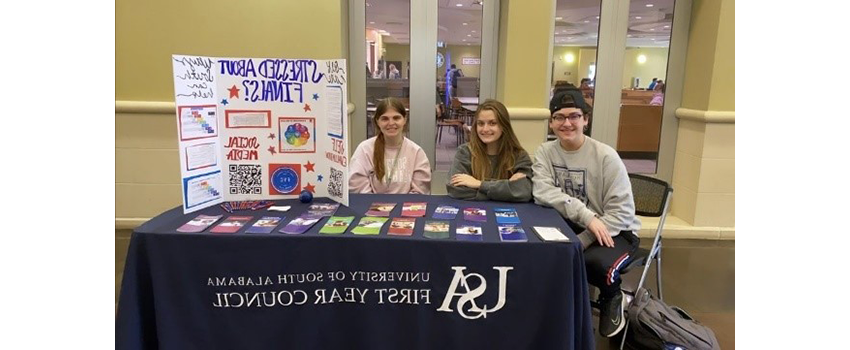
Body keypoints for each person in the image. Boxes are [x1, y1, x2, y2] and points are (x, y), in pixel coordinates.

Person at [532, 93, 641, 338]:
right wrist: (586, 217)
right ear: (551, 122)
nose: (566, 123)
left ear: (585, 120)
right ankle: (559, 309)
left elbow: (622, 213)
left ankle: (613, 296)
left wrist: (584, 237)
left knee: (593, 263)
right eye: (559, 117)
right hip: (576, 223)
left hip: (616, 229)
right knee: (539, 250)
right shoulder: (545, 151)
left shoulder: (606, 157)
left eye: (574, 116)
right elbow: (541, 191)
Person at [446, 99, 532, 202]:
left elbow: (525, 191)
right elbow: (455, 190)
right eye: (481, 124)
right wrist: (507, 188)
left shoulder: (519, 155)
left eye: (492, 123)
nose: (485, 129)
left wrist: (479, 184)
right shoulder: (464, 152)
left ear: (504, 126)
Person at [349, 97, 431, 194]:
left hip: (406, 207)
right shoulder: (364, 149)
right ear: (377, 122)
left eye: (396, 118)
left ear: (404, 120)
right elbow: (357, 186)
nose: (391, 123)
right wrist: (377, 207)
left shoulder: (416, 152)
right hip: (372, 207)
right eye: (385, 119)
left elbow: (420, 191)